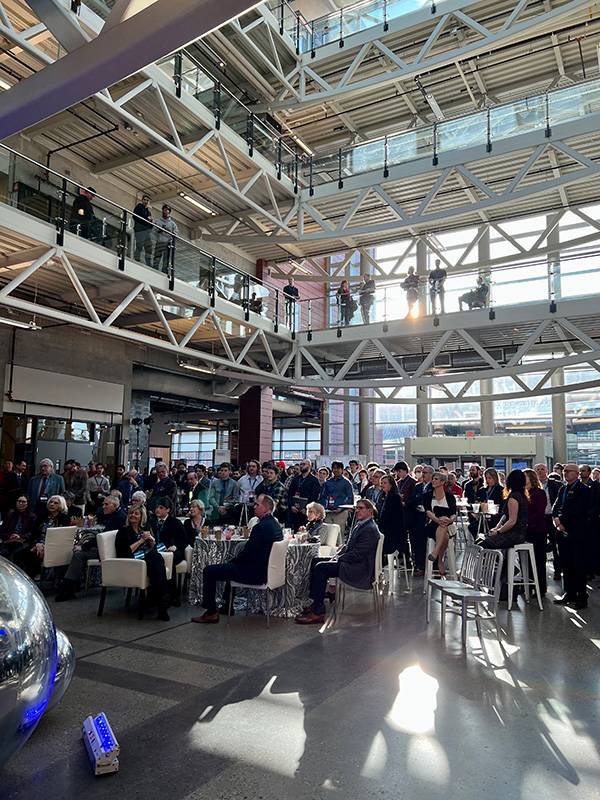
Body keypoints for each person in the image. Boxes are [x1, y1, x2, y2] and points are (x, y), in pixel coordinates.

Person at [191, 493, 283, 624]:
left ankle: (211, 612)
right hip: (266, 570)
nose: (254, 506)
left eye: (257, 504)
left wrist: (233, 561)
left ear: (266, 509)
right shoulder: (275, 524)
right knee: (230, 567)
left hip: (255, 573)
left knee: (209, 571)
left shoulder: (261, 527)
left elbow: (247, 554)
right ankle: (227, 605)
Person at [295, 498, 380, 625]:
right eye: (356, 508)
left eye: (361, 508)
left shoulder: (370, 529)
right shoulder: (361, 525)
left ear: (369, 511)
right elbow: (348, 546)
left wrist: (339, 558)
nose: (357, 511)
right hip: (352, 562)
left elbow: (358, 555)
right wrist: (337, 555)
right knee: (315, 561)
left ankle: (317, 613)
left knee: (321, 568)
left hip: (359, 568)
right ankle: (317, 603)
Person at [55, 495, 127, 602]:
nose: (103, 507)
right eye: (103, 504)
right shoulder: (114, 515)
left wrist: (84, 547)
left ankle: (68, 586)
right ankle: (70, 584)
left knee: (78, 554)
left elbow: (103, 536)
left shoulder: (119, 518)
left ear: (115, 505)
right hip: (106, 546)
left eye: (106, 504)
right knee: (76, 552)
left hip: (111, 550)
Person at [115, 505, 171, 620]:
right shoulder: (123, 530)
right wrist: (140, 541)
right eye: (131, 513)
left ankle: (160, 601)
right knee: (154, 558)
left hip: (146, 558)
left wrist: (151, 540)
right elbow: (123, 552)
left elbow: (152, 546)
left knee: (156, 557)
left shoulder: (145, 528)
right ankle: (163, 599)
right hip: (132, 559)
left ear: (141, 517)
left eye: (136, 514)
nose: (133, 516)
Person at [552, 462, 591, 610]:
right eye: (565, 471)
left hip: (577, 532)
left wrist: (562, 520)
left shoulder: (583, 490)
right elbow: (556, 506)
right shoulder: (563, 489)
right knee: (566, 564)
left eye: (569, 471)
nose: (566, 473)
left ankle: (582, 596)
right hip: (562, 531)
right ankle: (569, 593)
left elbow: (578, 509)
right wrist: (556, 519)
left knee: (578, 565)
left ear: (577, 474)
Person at [13, 494, 70, 579]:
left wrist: (44, 547)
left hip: (53, 547)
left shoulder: (64, 519)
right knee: (18, 554)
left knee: (33, 558)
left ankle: (31, 581)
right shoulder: (42, 517)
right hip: (38, 544)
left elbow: (61, 538)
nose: (52, 504)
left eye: (55, 503)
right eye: (51, 502)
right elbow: (34, 534)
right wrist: (37, 545)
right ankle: (19, 579)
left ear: (61, 505)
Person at [480, 469, 528, 553]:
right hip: (518, 532)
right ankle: (502, 563)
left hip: (514, 534)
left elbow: (512, 521)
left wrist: (498, 532)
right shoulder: (522, 495)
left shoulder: (514, 498)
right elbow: (505, 516)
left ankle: (496, 564)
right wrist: (497, 528)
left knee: (483, 544)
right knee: (485, 539)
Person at [150, 498, 187, 606]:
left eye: (161, 508)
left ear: (168, 510)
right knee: (155, 560)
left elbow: (184, 540)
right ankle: (156, 595)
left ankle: (173, 595)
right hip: (156, 551)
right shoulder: (151, 522)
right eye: (157, 507)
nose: (157, 510)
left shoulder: (175, 522)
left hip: (172, 551)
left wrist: (175, 547)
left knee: (170, 560)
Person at [423, 472, 457, 576]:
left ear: (442, 482)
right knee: (443, 530)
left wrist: (449, 520)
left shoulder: (450, 497)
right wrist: (437, 520)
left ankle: (436, 552)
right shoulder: (428, 495)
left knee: (444, 528)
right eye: (433, 479)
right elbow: (428, 511)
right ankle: (440, 560)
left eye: (436, 479)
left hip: (447, 524)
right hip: (433, 523)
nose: (433, 481)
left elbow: (454, 514)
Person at [534, 462, 563, 580]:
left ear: (546, 471)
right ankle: (540, 571)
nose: (540, 471)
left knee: (555, 544)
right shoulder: (533, 486)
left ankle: (557, 570)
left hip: (551, 517)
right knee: (540, 545)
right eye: (537, 469)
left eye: (542, 469)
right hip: (539, 518)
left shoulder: (554, 485)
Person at [523, 468, 548, 597]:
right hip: (525, 530)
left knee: (538, 560)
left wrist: (528, 523)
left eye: (525, 476)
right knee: (525, 560)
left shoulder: (539, 493)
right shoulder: (522, 493)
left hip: (537, 530)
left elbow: (539, 513)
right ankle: (527, 584)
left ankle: (540, 588)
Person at [408, 464, 434, 576]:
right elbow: (413, 499)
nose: (423, 474)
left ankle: (430, 566)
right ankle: (419, 565)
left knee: (427, 542)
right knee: (416, 541)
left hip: (428, 516)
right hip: (417, 516)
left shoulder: (433, 486)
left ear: (431, 475)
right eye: (422, 472)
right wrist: (419, 499)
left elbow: (428, 499)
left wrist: (420, 499)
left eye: (425, 472)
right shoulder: (418, 486)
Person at [320, 461, 354, 535]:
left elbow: (350, 498)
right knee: (327, 534)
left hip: (341, 512)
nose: (336, 470)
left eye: (338, 468)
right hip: (328, 512)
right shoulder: (328, 482)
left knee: (339, 534)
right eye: (334, 468)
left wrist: (341, 508)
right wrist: (323, 508)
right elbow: (323, 496)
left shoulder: (346, 482)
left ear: (342, 470)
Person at [288, 458, 321, 531]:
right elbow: (290, 493)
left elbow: (314, 496)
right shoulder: (296, 479)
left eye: (303, 464)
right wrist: (292, 505)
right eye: (301, 464)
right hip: (295, 510)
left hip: (306, 512)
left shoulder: (314, 480)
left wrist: (306, 508)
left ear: (309, 466)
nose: (301, 466)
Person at [0, 495, 36, 559]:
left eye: (23, 502)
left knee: (18, 553)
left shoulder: (32, 517)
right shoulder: (9, 515)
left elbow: (33, 532)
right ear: (16, 503)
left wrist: (20, 536)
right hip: (9, 541)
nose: (20, 503)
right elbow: (2, 530)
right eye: (19, 501)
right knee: (4, 552)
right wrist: (10, 536)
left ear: (27, 504)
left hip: (23, 542)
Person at [378, 475, 406, 557]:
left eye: (385, 483)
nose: (382, 485)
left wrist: (379, 522)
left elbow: (389, 514)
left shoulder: (393, 497)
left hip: (393, 529)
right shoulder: (385, 496)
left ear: (391, 484)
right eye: (381, 483)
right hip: (387, 526)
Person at [153, 204, 179, 273]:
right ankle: (154, 270)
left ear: (169, 212)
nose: (164, 212)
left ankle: (164, 272)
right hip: (159, 241)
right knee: (157, 258)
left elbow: (176, 234)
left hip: (167, 243)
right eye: (163, 210)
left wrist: (171, 232)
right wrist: (158, 231)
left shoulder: (172, 224)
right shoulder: (157, 221)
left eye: (166, 210)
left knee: (166, 260)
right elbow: (153, 230)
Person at [132, 193, 154, 264]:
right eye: (144, 200)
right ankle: (137, 258)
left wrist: (151, 222)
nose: (146, 202)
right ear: (142, 200)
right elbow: (135, 216)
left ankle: (148, 262)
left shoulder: (148, 212)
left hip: (146, 232)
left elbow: (150, 225)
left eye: (147, 200)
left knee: (149, 247)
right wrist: (146, 219)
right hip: (140, 231)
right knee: (139, 245)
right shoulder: (138, 208)